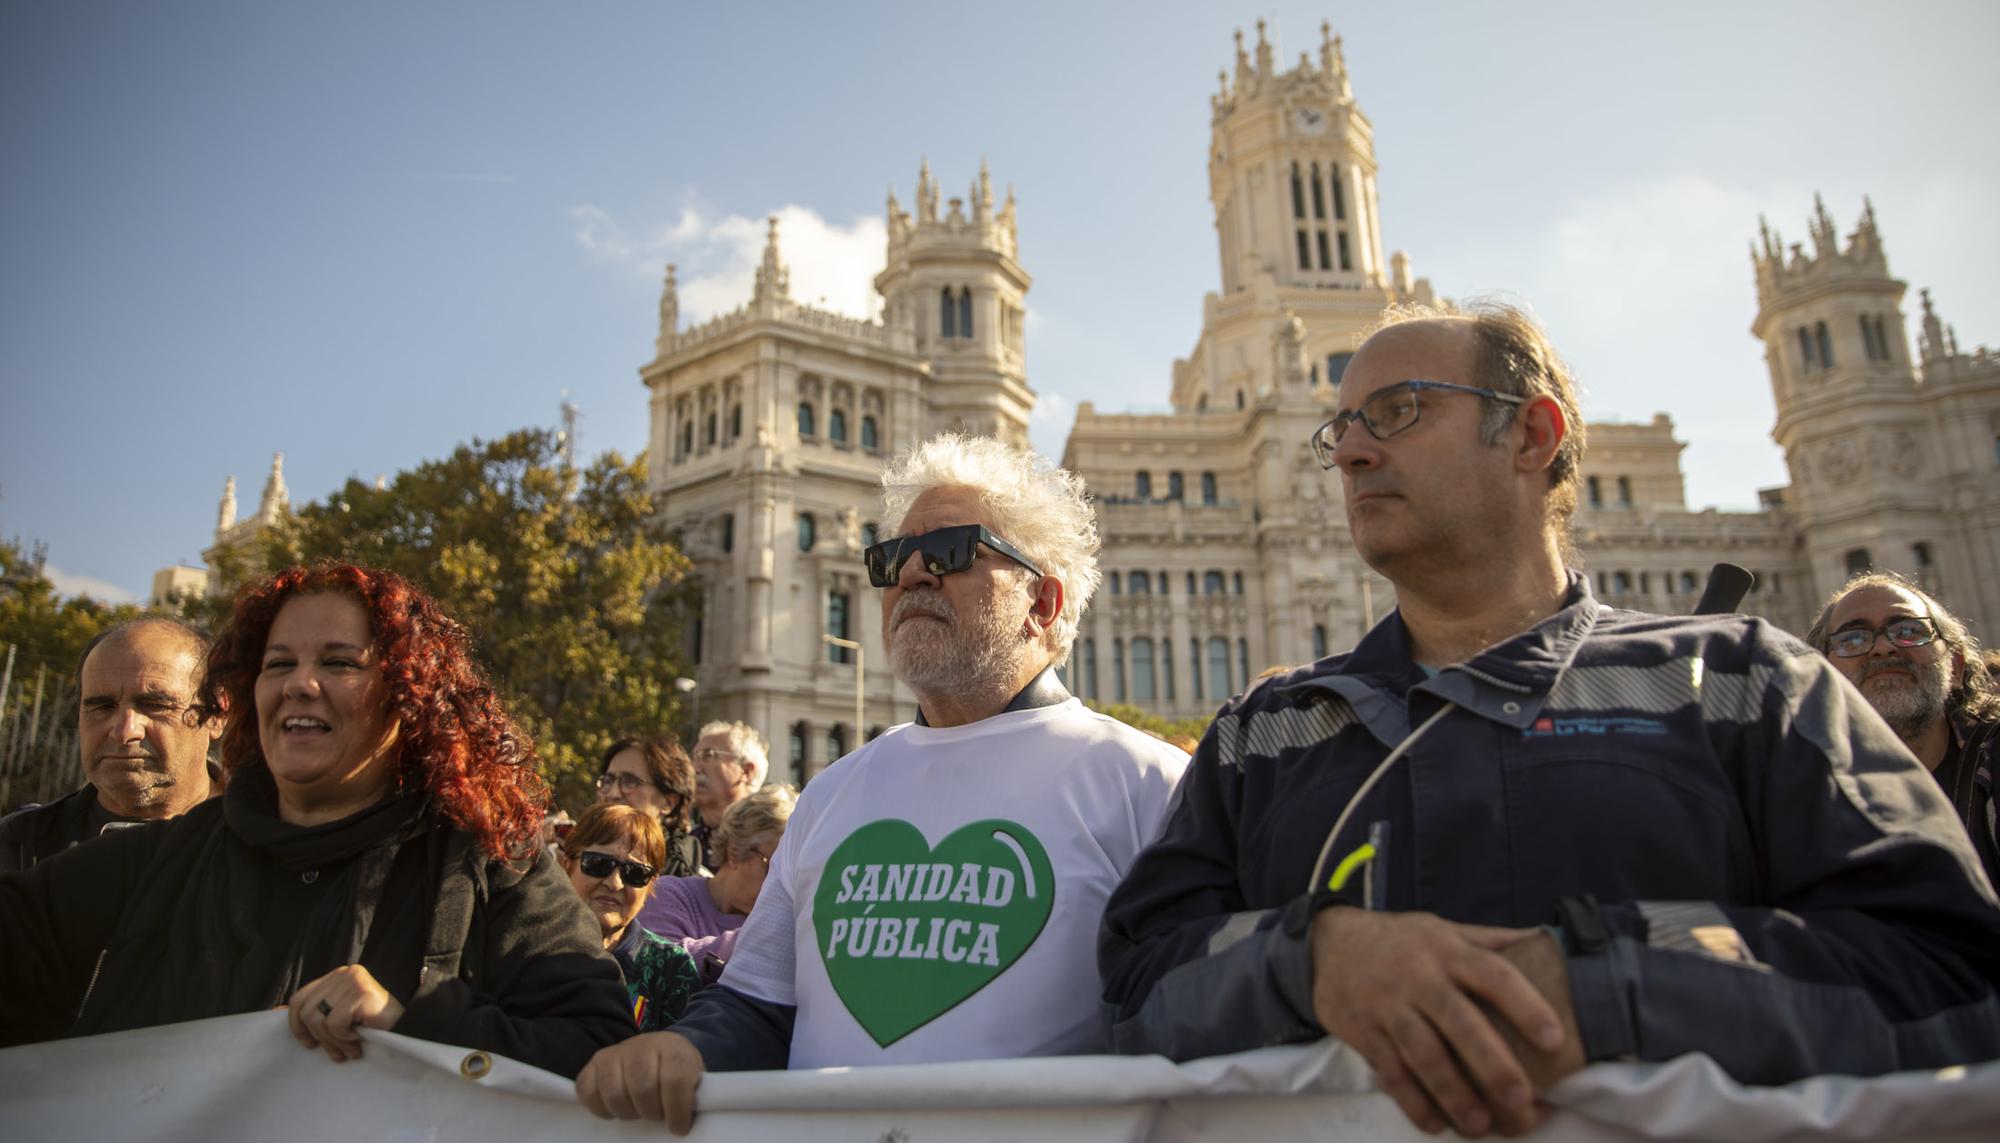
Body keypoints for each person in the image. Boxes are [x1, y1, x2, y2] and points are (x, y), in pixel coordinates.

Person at [1097, 302, 2000, 1138]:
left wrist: (1607, 979)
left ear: (1532, 433)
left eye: (1401, 410)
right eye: (1341, 429)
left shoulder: (1743, 684)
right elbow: (1134, 988)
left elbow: (1948, 966)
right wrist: (1312, 958)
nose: (1351, 453)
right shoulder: (1267, 730)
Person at [577, 433, 1189, 1132]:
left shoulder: (1150, 784)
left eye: (953, 550)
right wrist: (684, 1048)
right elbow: (758, 1004)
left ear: (1042, 603)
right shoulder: (833, 793)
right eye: (892, 557)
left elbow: (1191, 1031)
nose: (913, 574)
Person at [0, 563, 635, 1077]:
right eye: (279, 664)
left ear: (406, 699)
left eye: (338, 662)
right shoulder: (160, 856)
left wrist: (412, 1021)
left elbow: (597, 1045)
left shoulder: (490, 864)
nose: (300, 684)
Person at [1806, 573, 2000, 887]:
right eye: (1852, 638)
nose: (1883, 648)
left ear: (1956, 668)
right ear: (1820, 677)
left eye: (1908, 631)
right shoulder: (1793, 793)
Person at [0, 618, 220, 873]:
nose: (125, 731)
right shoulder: (15, 849)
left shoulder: (264, 845)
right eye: (102, 707)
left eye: (156, 706)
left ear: (217, 715)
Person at [558, 803, 702, 1033]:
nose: (614, 883)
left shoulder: (671, 967)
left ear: (651, 886)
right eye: (598, 864)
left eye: (635, 873)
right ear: (566, 867)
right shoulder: (527, 943)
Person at [640, 783, 797, 984]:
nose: (781, 885)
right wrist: (767, 936)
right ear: (734, 851)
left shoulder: (781, 920)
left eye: (792, 876)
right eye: (774, 869)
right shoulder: (669, 894)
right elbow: (657, 966)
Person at [596, 736, 700, 878]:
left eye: (630, 781)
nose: (614, 793)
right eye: (608, 780)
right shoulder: (573, 860)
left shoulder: (690, 882)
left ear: (668, 803)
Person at [689, 720, 768, 866]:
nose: (695, 768)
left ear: (746, 771)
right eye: (695, 758)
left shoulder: (769, 844)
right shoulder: (683, 848)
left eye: (708, 755)